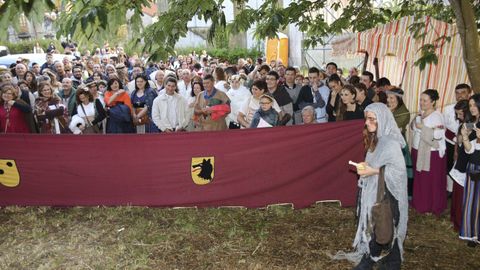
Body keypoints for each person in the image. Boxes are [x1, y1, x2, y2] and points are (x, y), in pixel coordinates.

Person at [336, 103, 407, 270]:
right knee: (380, 224)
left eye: (371, 119)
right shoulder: (377, 139)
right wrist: (365, 167)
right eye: (366, 119)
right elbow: (374, 163)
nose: (366, 123)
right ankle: (379, 259)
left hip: (389, 193)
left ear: (382, 119)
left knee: (389, 223)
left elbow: (399, 172)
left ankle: (388, 261)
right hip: (376, 191)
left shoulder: (390, 143)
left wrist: (373, 170)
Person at [411, 89, 447, 216]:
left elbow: (438, 134)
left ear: (433, 102)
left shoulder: (437, 116)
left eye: (425, 100)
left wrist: (423, 128)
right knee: (421, 178)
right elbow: (413, 128)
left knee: (431, 180)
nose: (421, 103)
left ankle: (431, 205)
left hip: (431, 154)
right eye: (420, 100)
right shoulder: (421, 114)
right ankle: (421, 202)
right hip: (418, 150)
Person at [444, 84, 472, 196]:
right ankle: (450, 190)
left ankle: (462, 191)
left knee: (462, 167)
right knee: (449, 166)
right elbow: (445, 125)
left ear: (469, 94)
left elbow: (470, 132)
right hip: (450, 141)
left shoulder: (472, 110)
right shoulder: (448, 109)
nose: (460, 95)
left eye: (463, 92)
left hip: (466, 144)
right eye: (457, 93)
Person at [459, 94, 480, 246]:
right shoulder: (473, 123)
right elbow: (470, 150)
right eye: (471, 105)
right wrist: (465, 136)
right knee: (470, 201)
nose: (472, 108)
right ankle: (472, 233)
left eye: (475, 105)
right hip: (472, 166)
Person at [386, 87, 413, 199]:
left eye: (392, 98)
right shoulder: (387, 108)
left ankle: (398, 196)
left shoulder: (404, 113)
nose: (389, 100)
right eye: (388, 97)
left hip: (397, 145)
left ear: (398, 99)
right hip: (386, 144)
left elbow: (392, 128)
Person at [449, 100, 470, 232]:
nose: (458, 117)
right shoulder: (462, 124)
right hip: (461, 160)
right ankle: (455, 218)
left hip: (467, 162)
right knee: (457, 191)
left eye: (461, 114)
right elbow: (458, 141)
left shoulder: (470, 125)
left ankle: (460, 220)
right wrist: (456, 151)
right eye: (457, 114)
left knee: (463, 193)